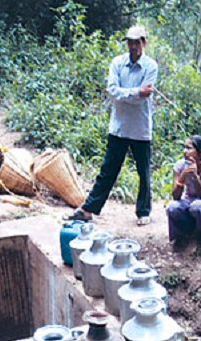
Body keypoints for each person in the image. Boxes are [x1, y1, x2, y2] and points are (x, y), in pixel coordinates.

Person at [68, 26, 158, 227]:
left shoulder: (151, 66)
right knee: (108, 170)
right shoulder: (117, 63)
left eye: (137, 42)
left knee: (144, 172)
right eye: (130, 42)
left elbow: (139, 97)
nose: (133, 46)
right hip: (119, 127)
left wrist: (128, 94)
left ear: (144, 43)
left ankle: (144, 211)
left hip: (140, 128)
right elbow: (113, 92)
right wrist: (136, 92)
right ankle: (89, 209)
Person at [166, 136, 201, 244]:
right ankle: (183, 235)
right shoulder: (180, 165)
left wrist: (195, 177)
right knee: (172, 207)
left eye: (189, 148)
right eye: (185, 148)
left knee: (197, 206)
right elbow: (176, 196)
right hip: (188, 199)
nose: (185, 151)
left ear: (200, 152)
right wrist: (183, 175)